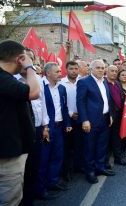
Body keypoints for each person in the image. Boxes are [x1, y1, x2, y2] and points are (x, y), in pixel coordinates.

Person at [0, 40, 40, 205]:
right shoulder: (3, 79)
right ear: (20, 59)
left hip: (10, 148)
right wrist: (30, 67)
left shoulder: (7, 79)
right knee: (10, 201)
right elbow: (34, 92)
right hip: (7, 154)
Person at [15, 49, 50, 204]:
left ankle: (31, 198)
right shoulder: (10, 80)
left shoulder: (37, 78)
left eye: (30, 59)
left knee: (34, 166)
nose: (27, 62)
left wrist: (45, 126)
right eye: (23, 59)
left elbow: (42, 104)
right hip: (18, 131)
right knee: (18, 171)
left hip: (36, 128)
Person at [77, 60, 115, 184]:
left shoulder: (104, 81)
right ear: (91, 69)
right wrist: (84, 120)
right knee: (89, 147)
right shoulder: (84, 82)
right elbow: (80, 102)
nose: (100, 70)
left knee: (102, 145)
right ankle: (90, 171)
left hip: (104, 119)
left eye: (102, 68)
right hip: (91, 121)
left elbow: (107, 99)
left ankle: (100, 167)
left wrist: (109, 115)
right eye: (98, 67)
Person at [37, 62, 72, 198]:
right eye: (57, 72)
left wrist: (67, 123)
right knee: (43, 159)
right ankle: (41, 189)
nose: (60, 73)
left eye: (60, 71)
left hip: (59, 127)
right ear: (48, 73)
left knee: (57, 156)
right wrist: (43, 127)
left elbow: (64, 107)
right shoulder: (40, 86)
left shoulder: (61, 88)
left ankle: (53, 181)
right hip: (46, 128)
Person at [60, 61, 83, 182]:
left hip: (80, 118)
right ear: (66, 69)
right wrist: (70, 114)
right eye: (71, 69)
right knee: (67, 146)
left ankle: (78, 166)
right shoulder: (61, 83)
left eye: (76, 68)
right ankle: (67, 171)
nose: (74, 71)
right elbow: (60, 103)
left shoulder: (83, 81)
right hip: (67, 119)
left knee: (79, 144)